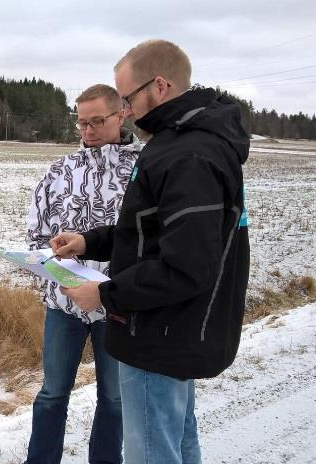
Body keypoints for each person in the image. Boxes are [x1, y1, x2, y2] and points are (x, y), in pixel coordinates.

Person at [50, 40, 250, 464]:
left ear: (160, 85)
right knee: (177, 440)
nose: (126, 111)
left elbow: (187, 267)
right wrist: (89, 242)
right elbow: (148, 232)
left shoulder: (189, 155)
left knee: (153, 452)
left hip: (158, 333)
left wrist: (104, 295)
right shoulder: (179, 143)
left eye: (127, 99)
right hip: (169, 329)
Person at [25, 84, 141, 464]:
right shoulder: (59, 170)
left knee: (114, 398)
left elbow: (147, 239)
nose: (88, 130)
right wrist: (50, 268)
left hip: (116, 305)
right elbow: (37, 231)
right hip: (63, 304)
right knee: (52, 394)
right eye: (81, 122)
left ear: (121, 114)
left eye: (97, 121)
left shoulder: (143, 168)